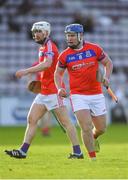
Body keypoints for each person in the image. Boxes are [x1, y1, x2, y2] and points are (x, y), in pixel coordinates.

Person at [5, 21, 83, 159]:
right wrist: (35, 79)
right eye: (34, 32)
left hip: (54, 92)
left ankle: (78, 152)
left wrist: (26, 71)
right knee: (31, 119)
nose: (35, 34)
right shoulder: (42, 48)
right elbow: (43, 66)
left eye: (38, 31)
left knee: (66, 123)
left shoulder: (50, 46)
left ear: (46, 33)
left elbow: (47, 64)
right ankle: (23, 151)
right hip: (44, 92)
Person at [54, 23, 113, 160]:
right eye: (68, 36)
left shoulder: (94, 49)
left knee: (101, 128)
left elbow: (108, 63)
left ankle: (94, 137)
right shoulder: (64, 56)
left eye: (73, 35)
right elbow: (58, 74)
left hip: (96, 94)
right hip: (78, 95)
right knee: (85, 127)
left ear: (80, 36)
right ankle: (92, 158)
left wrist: (106, 77)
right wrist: (60, 87)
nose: (69, 38)